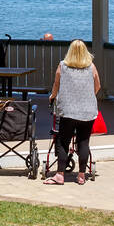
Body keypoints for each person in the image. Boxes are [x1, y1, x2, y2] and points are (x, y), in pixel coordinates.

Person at [44, 39, 101, 186]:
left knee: (63, 142)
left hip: (68, 111)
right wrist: (88, 96)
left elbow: (56, 83)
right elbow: (98, 86)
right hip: (87, 111)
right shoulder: (91, 66)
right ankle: (81, 175)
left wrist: (53, 96)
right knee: (83, 142)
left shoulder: (63, 66)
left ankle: (60, 175)